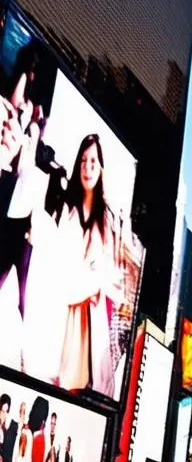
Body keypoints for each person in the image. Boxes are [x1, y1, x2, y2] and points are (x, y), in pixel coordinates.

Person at [56, 134, 124, 397]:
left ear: (101, 168)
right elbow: (64, 275)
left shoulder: (106, 221)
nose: (88, 167)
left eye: (94, 161)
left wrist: (96, 281)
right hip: (66, 321)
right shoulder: (66, 210)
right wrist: (92, 282)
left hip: (94, 325)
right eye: (83, 160)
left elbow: (111, 278)